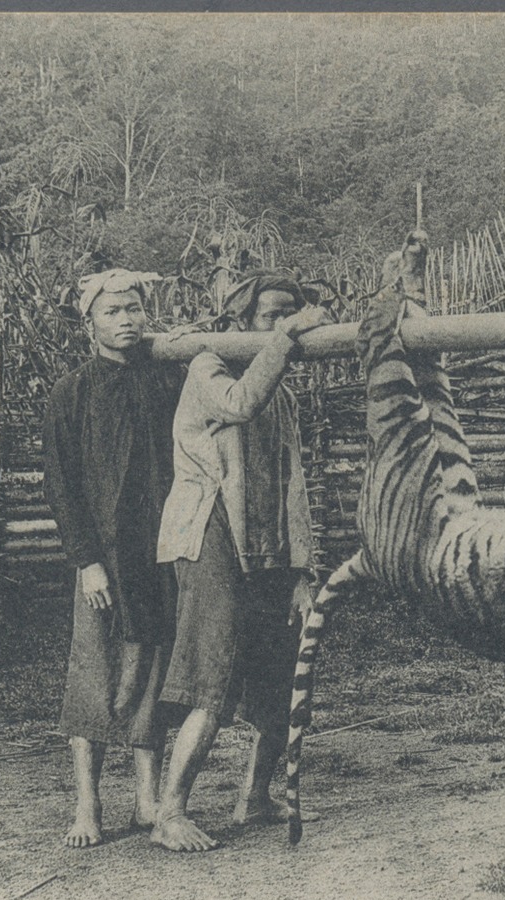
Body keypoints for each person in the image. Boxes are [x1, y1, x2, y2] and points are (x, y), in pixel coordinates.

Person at [151, 271, 333, 852]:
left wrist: (305, 571)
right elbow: (240, 402)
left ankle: (254, 796)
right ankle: (169, 812)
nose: (281, 325)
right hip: (211, 537)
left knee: (279, 674)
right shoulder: (208, 369)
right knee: (214, 672)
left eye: (290, 314)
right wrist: (291, 334)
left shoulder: (283, 393)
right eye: (270, 315)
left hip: (268, 547)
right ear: (238, 321)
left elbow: (294, 486)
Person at [42, 269, 183, 848]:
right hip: (102, 558)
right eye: (112, 312)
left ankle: (149, 799)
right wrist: (86, 560)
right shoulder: (71, 392)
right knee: (95, 672)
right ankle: (88, 802)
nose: (126, 320)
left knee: (151, 668)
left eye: (133, 309)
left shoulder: (167, 382)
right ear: (90, 323)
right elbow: (61, 483)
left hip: (157, 551)